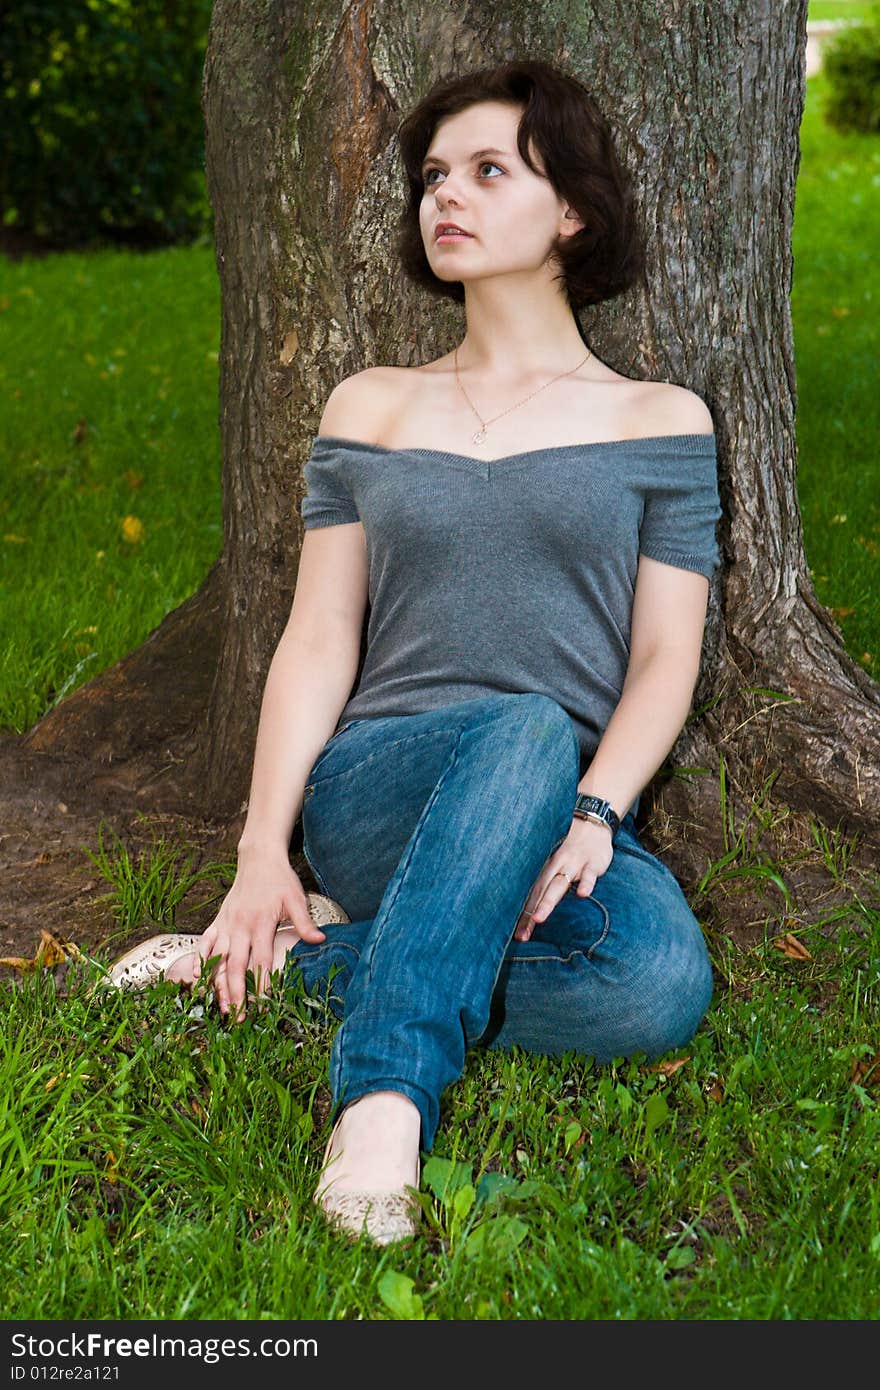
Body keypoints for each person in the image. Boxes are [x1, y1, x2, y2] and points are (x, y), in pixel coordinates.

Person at [105, 58, 723, 1247]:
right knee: (523, 718)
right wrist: (258, 850)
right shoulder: (371, 407)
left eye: (490, 171)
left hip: (556, 809)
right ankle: (384, 1100)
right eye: (436, 174)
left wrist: (596, 814)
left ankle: (307, 968)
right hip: (380, 783)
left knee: (654, 981)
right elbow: (318, 637)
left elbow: (663, 660)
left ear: (574, 211)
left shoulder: (660, 422)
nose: (448, 194)